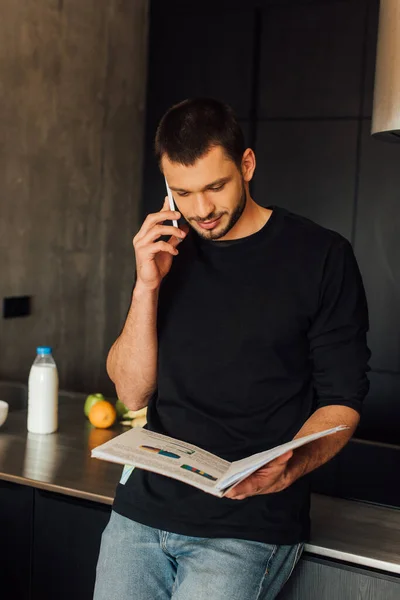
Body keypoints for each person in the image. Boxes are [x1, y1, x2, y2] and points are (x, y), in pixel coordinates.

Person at [93, 98, 370, 600]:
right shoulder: (166, 253)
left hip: (248, 525)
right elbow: (132, 392)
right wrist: (146, 287)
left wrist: (292, 464)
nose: (200, 210)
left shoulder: (322, 257)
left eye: (215, 187)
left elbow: (342, 401)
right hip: (142, 514)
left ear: (246, 165)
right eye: (183, 192)